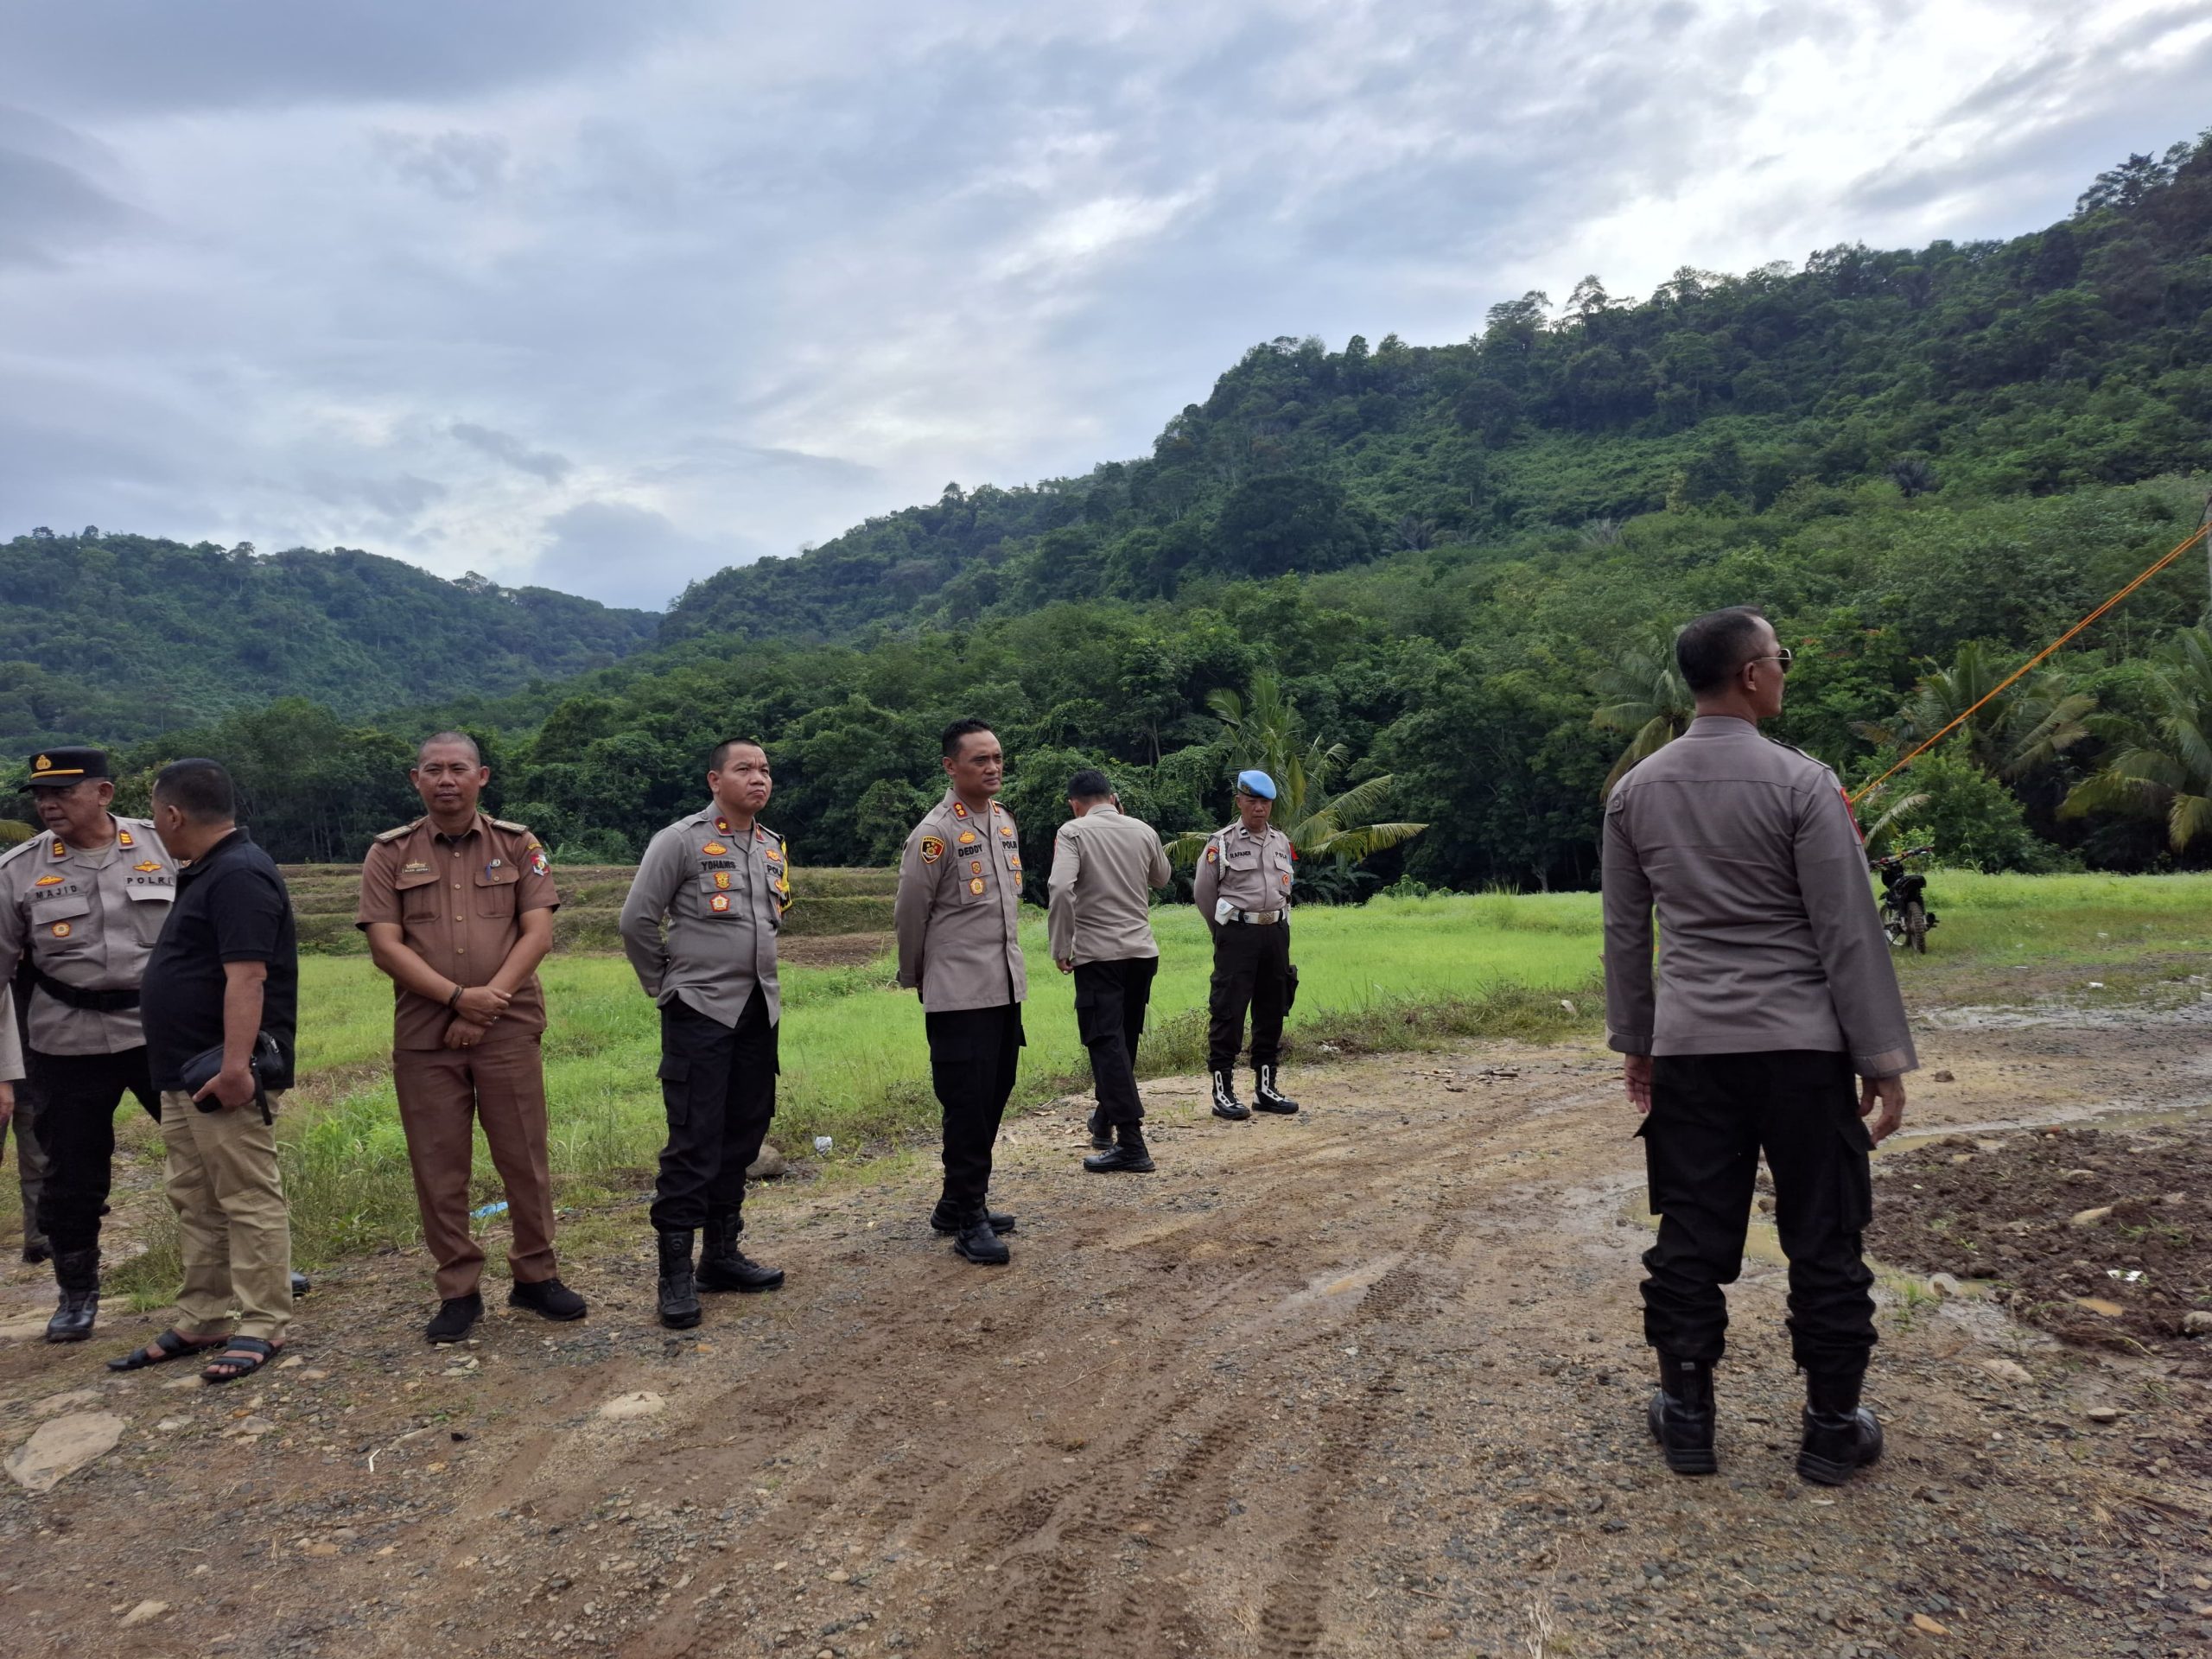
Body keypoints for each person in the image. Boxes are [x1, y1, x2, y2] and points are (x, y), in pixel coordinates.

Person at [1602, 606, 1913, 1488]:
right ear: (1748, 675)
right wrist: (1880, 1057)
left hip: (1694, 1049)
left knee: (1690, 1235)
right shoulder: (1804, 785)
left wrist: (1638, 1041)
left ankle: (1690, 1422)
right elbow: (1846, 932)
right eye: (1779, 658)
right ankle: (1828, 1430)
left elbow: (1626, 935)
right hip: (1804, 1050)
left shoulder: (1634, 793)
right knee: (1825, 1236)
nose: (1784, 671)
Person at [358, 732, 585, 1344]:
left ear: (482, 776)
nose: (446, 780)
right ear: (416, 780)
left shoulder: (518, 845)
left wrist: (483, 1008)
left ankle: (536, 1275)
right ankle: (458, 1288)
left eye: (458, 768)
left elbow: (536, 934)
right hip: (426, 1036)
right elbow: (386, 945)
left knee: (524, 1157)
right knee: (439, 1166)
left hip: (507, 1030)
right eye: (434, 770)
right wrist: (457, 1000)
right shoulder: (388, 854)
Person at [119, 759, 297, 1383]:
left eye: (154, 811)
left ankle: (263, 1322)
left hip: (220, 1071)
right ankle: (203, 1316)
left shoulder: (240, 875)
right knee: (194, 1197)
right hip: (181, 1069)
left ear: (172, 815)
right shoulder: (207, 871)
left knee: (246, 1197)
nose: (154, 824)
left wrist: (234, 1067)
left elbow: (247, 975)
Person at [0, 747, 174, 1340]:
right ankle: (76, 1294)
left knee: (209, 1153)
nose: (48, 804)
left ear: (104, 793)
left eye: (63, 793)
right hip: (64, 1042)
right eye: (41, 796)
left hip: (159, 1033)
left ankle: (256, 1265)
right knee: (70, 1176)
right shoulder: (19, 870)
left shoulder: (162, 848)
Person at [619, 738, 791, 1330]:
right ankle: (674, 1274)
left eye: (765, 769)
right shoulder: (681, 840)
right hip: (699, 1012)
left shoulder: (771, 847)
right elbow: (637, 919)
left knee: (743, 1135)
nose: (758, 778)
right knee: (693, 1141)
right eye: (745, 768)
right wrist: (666, 984)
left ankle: (721, 1256)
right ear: (715, 779)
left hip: (756, 1012)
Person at [893, 719, 1026, 1265]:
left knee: (993, 1097)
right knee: (966, 1106)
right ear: (951, 767)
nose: (992, 768)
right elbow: (910, 913)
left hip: (1003, 985)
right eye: (979, 760)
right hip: (958, 992)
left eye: (997, 758)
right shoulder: (935, 833)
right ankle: (969, 1218)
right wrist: (915, 973)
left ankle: (957, 1200)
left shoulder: (1002, 820)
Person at [1046, 768, 1172, 1174]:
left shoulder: (1073, 832)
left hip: (1099, 956)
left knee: (1106, 1043)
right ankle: (1103, 1121)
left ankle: (1132, 1144)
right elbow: (1162, 878)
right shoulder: (1143, 829)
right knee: (1124, 1040)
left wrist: (1061, 945)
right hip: (1141, 952)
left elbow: (1062, 888)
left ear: (1074, 803)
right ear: (1113, 797)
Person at [1191, 770, 1300, 1122]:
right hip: (1237, 934)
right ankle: (1223, 1092)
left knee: (1273, 1007)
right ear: (1239, 801)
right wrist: (1222, 933)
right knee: (1229, 1010)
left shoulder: (1281, 841)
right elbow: (1204, 893)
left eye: (1265, 802)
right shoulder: (1221, 842)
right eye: (1252, 801)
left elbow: (1286, 887)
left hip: (1275, 933)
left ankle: (1266, 1088)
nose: (1259, 808)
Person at [3, 971, 52, 1263]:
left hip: (32, 1080)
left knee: (38, 1163)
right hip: (6, 1078)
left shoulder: (39, 971)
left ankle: (38, 1240)